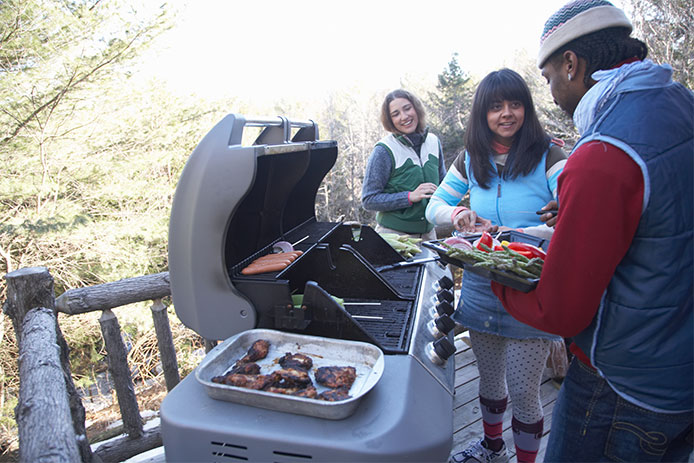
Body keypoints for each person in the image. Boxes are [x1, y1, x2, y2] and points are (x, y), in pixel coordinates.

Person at [491, 1, 694, 462]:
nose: (553, 94)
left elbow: (560, 312)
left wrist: (490, 271)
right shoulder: (679, 103)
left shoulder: (602, 153)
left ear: (571, 63)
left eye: (548, 80)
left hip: (621, 385)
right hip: (680, 371)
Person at [426, 68, 568, 463]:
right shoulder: (471, 157)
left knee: (524, 391)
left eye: (515, 104)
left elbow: (575, 211)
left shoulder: (549, 154)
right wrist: (456, 214)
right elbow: (434, 206)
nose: (507, 114)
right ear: (482, 114)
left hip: (529, 286)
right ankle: (492, 448)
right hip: (479, 285)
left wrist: (525, 227)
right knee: (488, 380)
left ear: (527, 108)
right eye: (495, 107)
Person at [361, 89, 446, 241]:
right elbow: (369, 199)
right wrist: (409, 197)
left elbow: (444, 184)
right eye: (396, 114)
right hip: (394, 236)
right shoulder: (384, 150)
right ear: (390, 120)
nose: (404, 117)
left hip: (429, 235)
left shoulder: (434, 142)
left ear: (416, 108)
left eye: (407, 108)